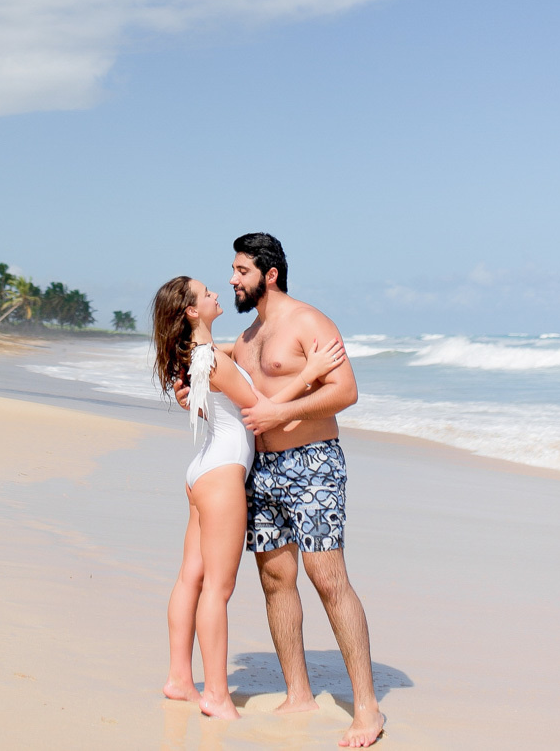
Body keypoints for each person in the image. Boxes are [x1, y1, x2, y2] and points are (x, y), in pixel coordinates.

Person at [174, 232, 385, 749]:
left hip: (313, 464)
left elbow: (346, 391)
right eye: (231, 270)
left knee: (327, 576)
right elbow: (207, 359)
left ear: (268, 275)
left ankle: (367, 707)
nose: (231, 279)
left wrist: (283, 411)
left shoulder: (309, 322)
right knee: (275, 579)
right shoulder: (246, 338)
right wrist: (189, 387)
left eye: (240, 271)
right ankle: (298, 692)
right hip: (262, 470)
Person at [152, 275, 345, 720]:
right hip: (221, 476)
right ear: (191, 312)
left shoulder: (204, 356)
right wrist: (310, 375)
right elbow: (259, 408)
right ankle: (216, 694)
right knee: (217, 589)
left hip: (203, 470)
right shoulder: (212, 361)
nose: (218, 292)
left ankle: (180, 678)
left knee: (190, 579)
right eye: (206, 294)